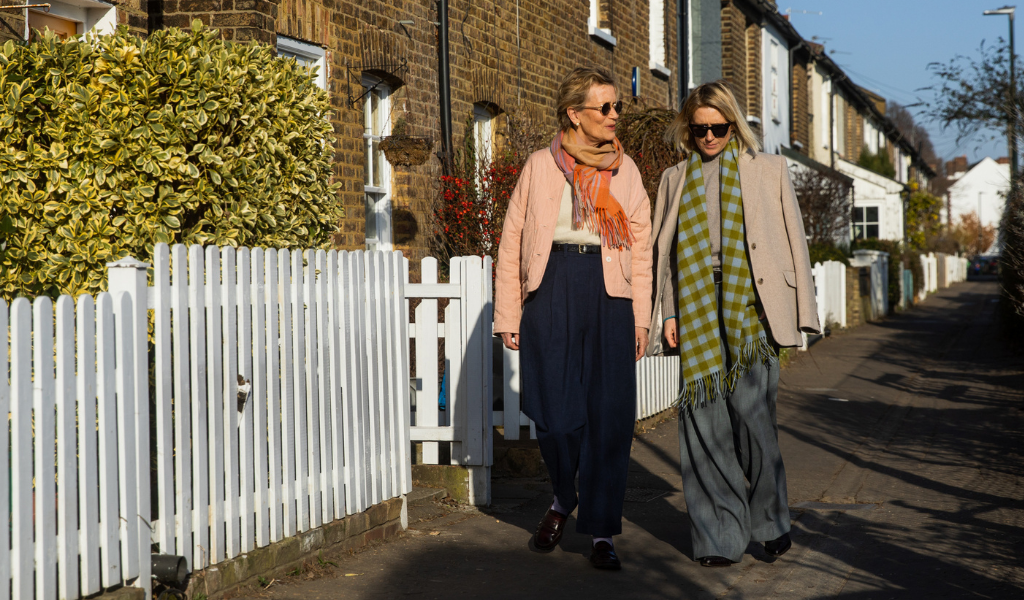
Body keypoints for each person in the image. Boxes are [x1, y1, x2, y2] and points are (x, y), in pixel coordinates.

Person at [648, 80, 819, 568]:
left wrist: (796, 311)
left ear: (733, 124)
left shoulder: (767, 170)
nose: (708, 136)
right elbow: (667, 256)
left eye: (718, 127)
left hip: (752, 308)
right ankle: (719, 536)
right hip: (698, 307)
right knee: (703, 426)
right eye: (699, 128)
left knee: (752, 419)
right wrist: (670, 313)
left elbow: (793, 239)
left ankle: (770, 520)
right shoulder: (674, 179)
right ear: (687, 127)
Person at [494, 66, 652, 570]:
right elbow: (512, 241)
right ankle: (564, 497)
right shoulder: (540, 166)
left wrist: (642, 317)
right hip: (552, 285)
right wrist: (508, 313)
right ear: (574, 115)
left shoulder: (626, 171)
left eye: (617, 108)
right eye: (603, 108)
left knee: (610, 418)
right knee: (555, 415)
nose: (613, 116)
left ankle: (602, 531)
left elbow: (642, 249)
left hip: (611, 295)